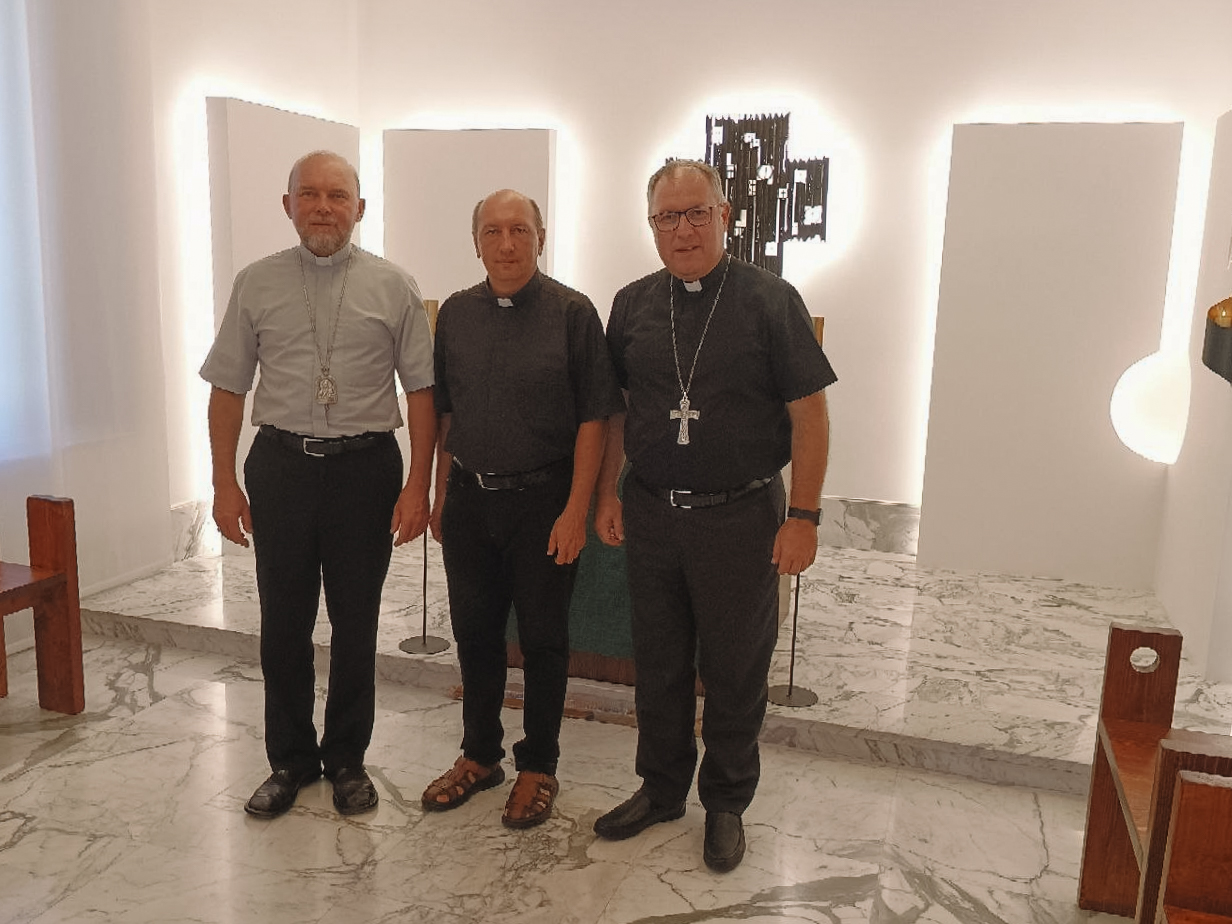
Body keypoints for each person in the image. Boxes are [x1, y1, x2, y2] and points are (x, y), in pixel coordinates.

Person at [592, 159, 837, 871]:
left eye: (697, 213)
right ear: (652, 226)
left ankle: (726, 802)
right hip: (653, 511)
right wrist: (608, 494)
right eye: (667, 217)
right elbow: (617, 412)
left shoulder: (770, 301)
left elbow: (811, 414)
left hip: (741, 516)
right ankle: (662, 788)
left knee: (735, 667)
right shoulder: (632, 304)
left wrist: (805, 515)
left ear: (725, 216)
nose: (684, 230)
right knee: (660, 662)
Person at [201, 150, 436, 819]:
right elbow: (227, 389)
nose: (323, 208)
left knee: (356, 623)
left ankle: (347, 760)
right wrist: (223, 482)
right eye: (309, 194)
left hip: (366, 470)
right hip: (281, 467)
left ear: (360, 207)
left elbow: (422, 392)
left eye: (337, 196)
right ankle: (290, 760)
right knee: (283, 622)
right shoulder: (256, 283)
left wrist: (417, 486)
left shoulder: (394, 285)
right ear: (288, 205)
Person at [420, 189, 623, 829]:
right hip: (470, 500)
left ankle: (539, 765)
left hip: (544, 501)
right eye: (492, 232)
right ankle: (480, 755)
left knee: (542, 640)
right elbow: (446, 412)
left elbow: (596, 417)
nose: (506, 244)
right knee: (475, 635)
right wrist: (442, 493)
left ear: (541, 237)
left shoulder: (572, 313)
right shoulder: (455, 313)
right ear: (476, 241)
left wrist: (576, 508)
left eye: (519, 231)